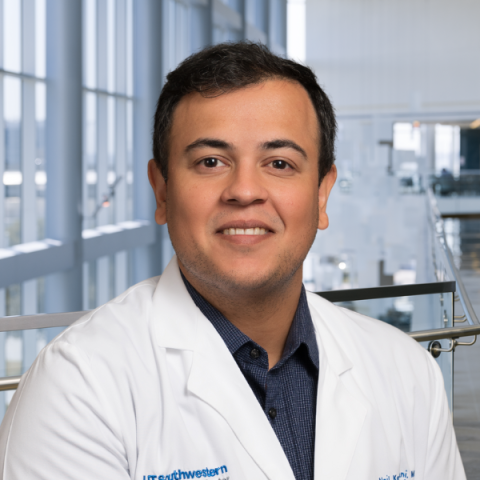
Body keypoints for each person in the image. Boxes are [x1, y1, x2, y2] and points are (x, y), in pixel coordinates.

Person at [0, 43, 465, 480]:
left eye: (279, 163)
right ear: (161, 189)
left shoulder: (405, 371)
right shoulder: (77, 388)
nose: (244, 191)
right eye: (211, 162)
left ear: (322, 193)